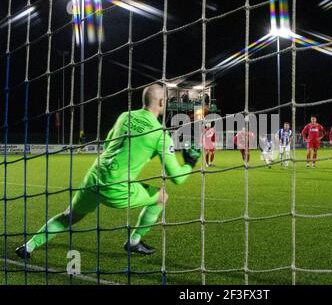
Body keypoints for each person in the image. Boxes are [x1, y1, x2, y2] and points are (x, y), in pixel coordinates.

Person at [15, 84, 201, 259]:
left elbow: (107, 144)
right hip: (116, 186)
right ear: (162, 103)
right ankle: (134, 241)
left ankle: (28, 246)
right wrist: (190, 163)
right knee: (162, 197)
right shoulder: (161, 135)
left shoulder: (125, 116)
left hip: (95, 176)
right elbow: (177, 178)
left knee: (69, 216)